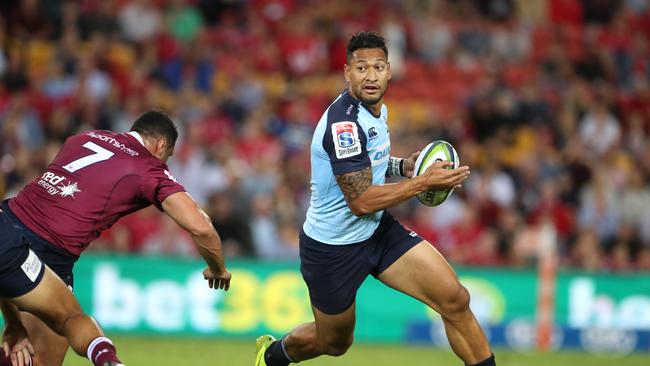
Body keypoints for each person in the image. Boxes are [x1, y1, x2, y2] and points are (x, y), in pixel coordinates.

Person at [255, 32, 495, 366]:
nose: (371, 75)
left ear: (389, 71)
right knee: (335, 341)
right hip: (332, 248)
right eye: (362, 67)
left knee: (454, 299)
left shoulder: (377, 111)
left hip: (376, 232)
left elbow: (370, 165)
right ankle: (274, 355)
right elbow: (362, 200)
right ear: (347, 73)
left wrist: (402, 166)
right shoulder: (343, 125)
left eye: (378, 67)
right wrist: (424, 180)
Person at [1, 110, 232, 366]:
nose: (166, 162)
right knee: (59, 337)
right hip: (50, 249)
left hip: (7, 220)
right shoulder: (148, 167)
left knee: (22, 347)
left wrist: (13, 321)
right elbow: (201, 228)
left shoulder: (85, 137)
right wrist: (218, 269)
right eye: (168, 156)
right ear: (162, 145)